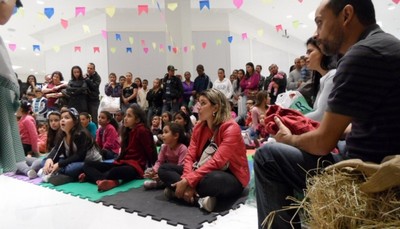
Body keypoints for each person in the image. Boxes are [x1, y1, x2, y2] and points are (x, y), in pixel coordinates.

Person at [254, 0, 400, 228]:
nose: (316, 34)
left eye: (320, 23)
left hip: (365, 170)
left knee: (267, 156)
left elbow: (322, 143)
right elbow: (373, 121)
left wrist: (289, 138)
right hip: (380, 154)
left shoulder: (361, 55)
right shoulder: (387, 44)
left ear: (347, 15)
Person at [158, 89, 249, 212]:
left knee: (214, 179)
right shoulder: (199, 127)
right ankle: (198, 199)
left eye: (203, 103)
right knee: (164, 169)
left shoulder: (231, 128)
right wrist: (187, 178)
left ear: (215, 108)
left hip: (230, 176)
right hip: (201, 171)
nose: (198, 107)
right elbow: (190, 156)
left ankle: (178, 192)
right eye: (198, 103)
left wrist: (189, 181)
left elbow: (218, 162)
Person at [80, 105, 157, 192]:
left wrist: (155, 169)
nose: (125, 118)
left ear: (137, 120)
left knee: (115, 171)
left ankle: (94, 177)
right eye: (126, 115)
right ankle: (106, 180)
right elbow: (122, 155)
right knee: (87, 164)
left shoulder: (142, 130)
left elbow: (150, 150)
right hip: (122, 162)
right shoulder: (127, 131)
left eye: (129, 116)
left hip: (135, 167)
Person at [40, 108, 102, 186]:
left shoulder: (81, 134)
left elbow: (80, 156)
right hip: (72, 159)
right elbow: (56, 149)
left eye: (66, 118)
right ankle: (58, 173)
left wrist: (59, 164)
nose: (62, 120)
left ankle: (65, 176)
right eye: (62, 118)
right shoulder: (62, 134)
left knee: (71, 169)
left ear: (75, 121)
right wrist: (49, 159)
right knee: (44, 161)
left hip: (88, 161)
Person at [144, 123, 188, 190]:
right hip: (167, 170)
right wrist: (153, 171)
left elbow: (181, 168)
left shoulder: (182, 148)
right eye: (163, 132)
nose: (163, 135)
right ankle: (163, 183)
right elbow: (159, 162)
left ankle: (162, 183)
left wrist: (161, 175)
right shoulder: (164, 147)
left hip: (178, 173)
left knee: (164, 171)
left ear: (176, 135)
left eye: (166, 132)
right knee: (149, 170)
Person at [304, 37, 337, 122]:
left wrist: (292, 119)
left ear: (323, 52)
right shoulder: (323, 79)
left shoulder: (332, 76)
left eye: (310, 52)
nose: (305, 57)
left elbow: (321, 115)